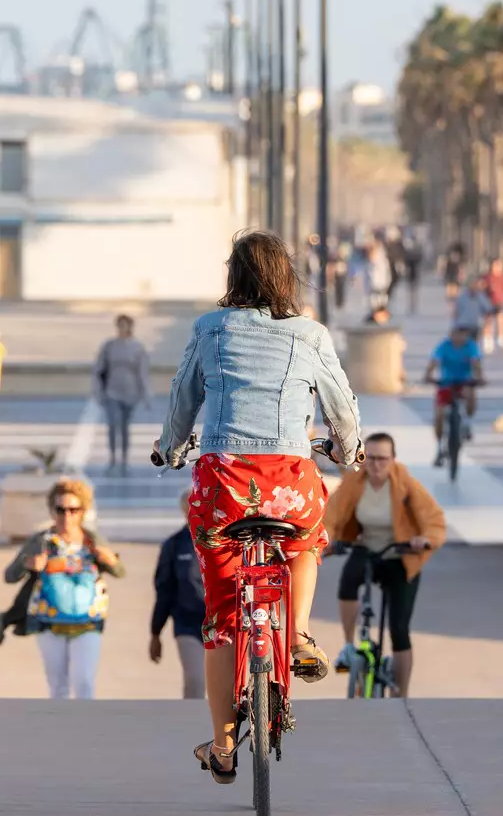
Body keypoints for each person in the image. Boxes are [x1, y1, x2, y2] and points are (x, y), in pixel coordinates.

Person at [154, 229, 361, 783]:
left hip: (223, 481)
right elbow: (340, 402)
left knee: (222, 621)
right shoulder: (310, 334)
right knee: (306, 541)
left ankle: (223, 748)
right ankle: (294, 635)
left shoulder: (211, 328)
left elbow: (183, 396)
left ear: (233, 277)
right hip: (289, 480)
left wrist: (171, 447)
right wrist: (348, 448)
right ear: (286, 278)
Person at [328, 434, 447, 696]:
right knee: (348, 582)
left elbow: (434, 520)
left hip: (400, 555)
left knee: (399, 629)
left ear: (393, 460)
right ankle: (349, 646)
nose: (376, 464)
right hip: (367, 549)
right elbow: (331, 514)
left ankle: (401, 694)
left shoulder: (406, 484)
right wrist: (327, 541)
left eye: (382, 458)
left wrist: (424, 539)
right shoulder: (354, 482)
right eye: (370, 458)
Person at [3, 476, 125, 699]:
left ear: (83, 511)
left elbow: (120, 572)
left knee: (84, 683)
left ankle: (85, 731)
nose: (66, 516)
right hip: (49, 624)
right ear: (52, 510)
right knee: (58, 688)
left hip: (88, 623)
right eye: (60, 509)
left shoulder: (92, 541)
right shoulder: (41, 541)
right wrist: (27, 564)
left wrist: (110, 560)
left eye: (73, 510)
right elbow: (9, 576)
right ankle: (61, 732)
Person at [148, 490, 208, 699]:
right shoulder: (173, 546)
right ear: (185, 511)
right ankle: (191, 724)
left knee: (229, 687)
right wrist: (156, 633)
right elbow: (164, 591)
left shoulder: (226, 541)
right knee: (196, 681)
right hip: (188, 625)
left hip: (225, 626)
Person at [93, 313, 150, 475]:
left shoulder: (137, 347)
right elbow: (99, 370)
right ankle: (112, 459)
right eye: (119, 325)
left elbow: (142, 373)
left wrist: (145, 395)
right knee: (112, 426)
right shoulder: (109, 346)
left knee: (125, 428)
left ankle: (124, 461)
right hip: (112, 392)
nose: (122, 328)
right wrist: (98, 392)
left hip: (130, 394)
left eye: (125, 325)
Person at [424, 322, 486, 464]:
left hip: (464, 381)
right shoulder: (444, 346)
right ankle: (439, 448)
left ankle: (468, 424)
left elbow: (476, 364)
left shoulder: (471, 346)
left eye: (462, 334)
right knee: (439, 414)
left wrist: (480, 377)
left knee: (470, 394)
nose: (458, 338)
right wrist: (428, 375)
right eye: (455, 334)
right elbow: (434, 362)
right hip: (446, 382)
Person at [482, 257, 503, 352]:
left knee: (501, 320)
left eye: (500, 266)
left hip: (499, 302)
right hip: (488, 302)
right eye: (496, 265)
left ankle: (502, 339)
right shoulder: (487, 277)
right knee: (488, 322)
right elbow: (481, 289)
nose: (498, 268)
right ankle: (488, 341)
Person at [402, 236, 424, 313]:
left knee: (413, 292)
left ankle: (412, 306)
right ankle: (411, 306)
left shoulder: (410, 254)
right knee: (411, 292)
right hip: (411, 275)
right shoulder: (409, 254)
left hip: (413, 274)